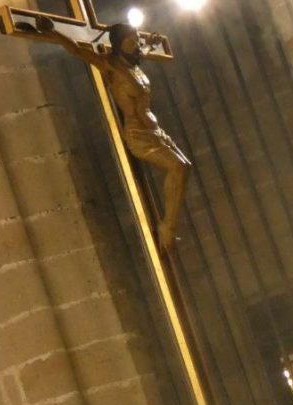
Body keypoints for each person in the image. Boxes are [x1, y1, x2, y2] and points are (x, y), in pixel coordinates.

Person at [31, 16, 191, 251]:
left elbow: (142, 52)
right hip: (139, 134)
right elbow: (75, 49)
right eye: (131, 39)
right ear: (118, 43)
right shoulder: (110, 66)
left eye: (137, 39)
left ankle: (169, 226)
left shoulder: (133, 65)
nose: (136, 43)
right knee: (178, 168)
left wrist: (148, 44)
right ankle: (168, 227)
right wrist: (52, 33)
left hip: (156, 131)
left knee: (185, 166)